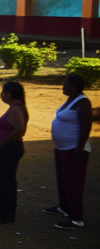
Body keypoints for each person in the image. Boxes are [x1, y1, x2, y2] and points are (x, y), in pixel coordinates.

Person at [48, 74, 92, 230]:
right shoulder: (71, 99)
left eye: (66, 84)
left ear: (73, 87)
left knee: (73, 183)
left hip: (74, 148)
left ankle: (77, 217)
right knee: (63, 180)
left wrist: (80, 147)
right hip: (62, 147)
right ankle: (64, 207)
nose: (63, 86)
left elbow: (86, 125)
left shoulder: (83, 102)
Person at [0, 82, 27, 224]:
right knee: (0, 177)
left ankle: (7, 213)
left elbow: (20, 129)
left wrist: (4, 141)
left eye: (3, 93)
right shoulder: (14, 107)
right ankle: (0, 206)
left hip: (10, 148)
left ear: (9, 94)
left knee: (6, 180)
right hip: (7, 147)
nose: (1, 96)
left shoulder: (16, 108)